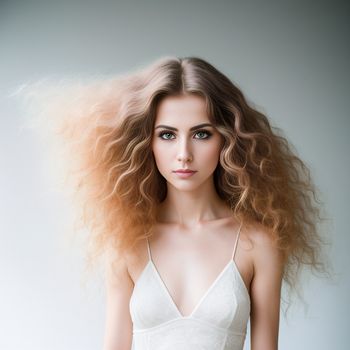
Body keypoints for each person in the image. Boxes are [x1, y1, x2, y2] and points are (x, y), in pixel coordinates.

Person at [22, 56, 331, 349]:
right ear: (147, 143)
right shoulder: (126, 242)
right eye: (168, 135)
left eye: (201, 134)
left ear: (228, 139)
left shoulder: (258, 244)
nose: (184, 153)